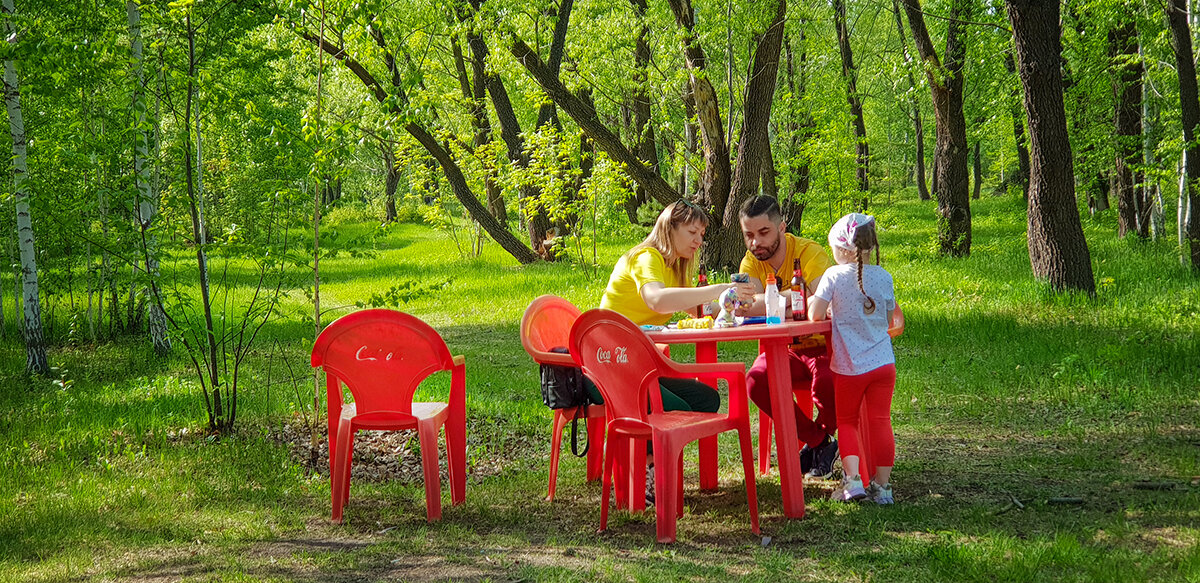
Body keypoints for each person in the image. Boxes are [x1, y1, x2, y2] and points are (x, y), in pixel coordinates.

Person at [598, 199, 753, 504]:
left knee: (706, 398)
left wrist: (732, 302)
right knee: (669, 405)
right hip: (609, 361)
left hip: (640, 364)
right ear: (670, 229)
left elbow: (698, 310)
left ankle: (651, 462)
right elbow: (656, 299)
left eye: (702, 234)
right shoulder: (646, 257)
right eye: (693, 232)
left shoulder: (676, 267)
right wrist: (716, 289)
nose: (699, 241)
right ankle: (645, 471)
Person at [736, 195, 840, 478]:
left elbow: (823, 297)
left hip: (822, 345)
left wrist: (770, 299)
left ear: (782, 227)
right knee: (756, 382)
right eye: (748, 235)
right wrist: (796, 295)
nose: (755, 242)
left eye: (763, 233)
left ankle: (818, 441)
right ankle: (819, 442)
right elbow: (745, 306)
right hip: (784, 349)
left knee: (831, 383)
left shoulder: (808, 252)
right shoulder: (751, 262)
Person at [810, 212, 897, 504]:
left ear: (843, 248)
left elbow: (815, 314)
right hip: (884, 363)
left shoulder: (833, 276)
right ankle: (883, 488)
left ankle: (853, 481)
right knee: (881, 421)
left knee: (847, 421)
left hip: (849, 366)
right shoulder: (884, 277)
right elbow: (886, 319)